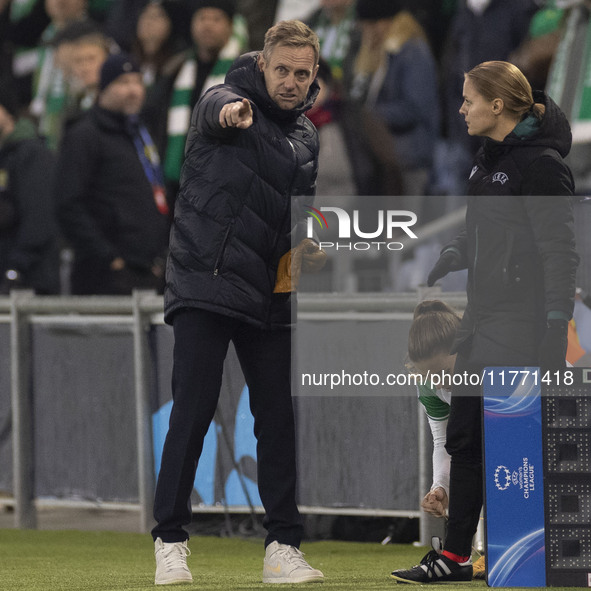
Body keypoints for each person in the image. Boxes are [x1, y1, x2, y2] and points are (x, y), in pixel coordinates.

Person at [151, 19, 326, 586]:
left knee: (277, 419)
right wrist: (230, 112)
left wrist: (312, 242)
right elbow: (213, 108)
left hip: (272, 291)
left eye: (303, 74)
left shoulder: (306, 137)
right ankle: (170, 542)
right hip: (209, 280)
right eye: (283, 70)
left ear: (314, 75)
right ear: (262, 64)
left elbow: (304, 208)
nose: (292, 82)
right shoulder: (226, 100)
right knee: (194, 410)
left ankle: (282, 547)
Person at [391, 60, 579, 584]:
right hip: (481, 321)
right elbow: (488, 234)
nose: (462, 108)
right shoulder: (485, 162)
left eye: (469, 99)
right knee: (466, 442)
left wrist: (555, 326)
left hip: (519, 325)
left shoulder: (541, 165)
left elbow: (559, 254)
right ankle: (454, 558)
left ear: (498, 105)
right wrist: (455, 250)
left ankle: (546, 557)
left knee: (521, 446)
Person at [56, 52, 170, 295]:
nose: (133, 90)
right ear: (103, 89)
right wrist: (109, 257)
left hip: (148, 271)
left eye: (137, 82)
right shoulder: (84, 135)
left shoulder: (142, 134)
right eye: (123, 83)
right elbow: (67, 204)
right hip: (104, 276)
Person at [406, 300, 487, 581]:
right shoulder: (430, 386)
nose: (440, 384)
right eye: (430, 376)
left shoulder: (490, 365)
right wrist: (441, 486)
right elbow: (444, 441)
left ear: (464, 353)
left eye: (444, 373)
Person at [344, 0, 440, 199]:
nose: (364, 31)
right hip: (385, 158)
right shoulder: (378, 54)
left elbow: (414, 108)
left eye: (367, 25)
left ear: (381, 23)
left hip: (409, 159)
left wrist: (368, 116)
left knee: (406, 226)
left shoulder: (412, 52)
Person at [0, 79, 60, 295]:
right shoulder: (5, 155)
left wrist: (16, 267)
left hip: (30, 281)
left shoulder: (31, 154)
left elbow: (40, 217)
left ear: (8, 113)